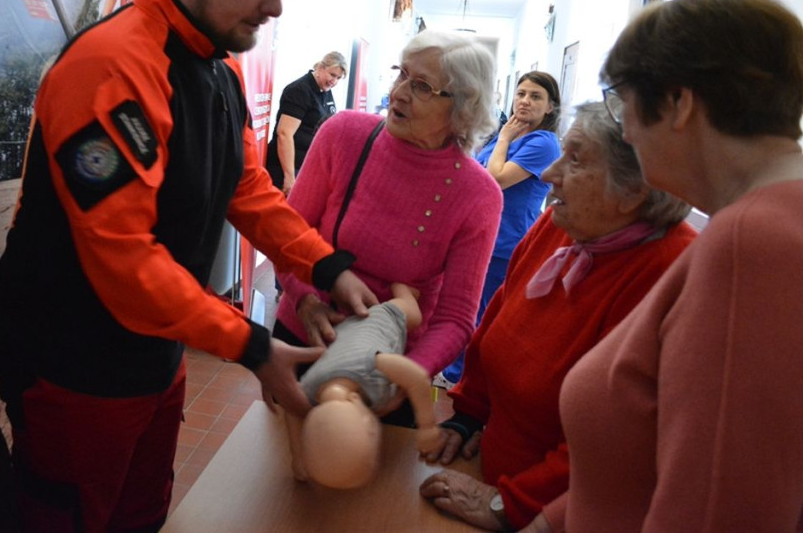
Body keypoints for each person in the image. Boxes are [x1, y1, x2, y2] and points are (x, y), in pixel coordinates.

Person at [0, 0, 376, 533]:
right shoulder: (111, 68)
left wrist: (326, 265)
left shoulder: (217, 68)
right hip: (75, 370)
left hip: (156, 356)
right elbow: (125, 263)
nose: (277, 5)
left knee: (142, 516)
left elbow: (247, 188)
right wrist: (251, 345)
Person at [533, 0, 803, 533]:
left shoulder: (750, 243)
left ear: (678, 102)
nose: (625, 129)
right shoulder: (764, 223)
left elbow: (716, 512)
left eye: (620, 101)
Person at [418, 101, 695, 531]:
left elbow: (617, 442)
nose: (550, 174)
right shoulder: (563, 224)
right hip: (492, 470)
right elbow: (499, 315)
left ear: (634, 190)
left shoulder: (672, 273)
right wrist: (469, 412)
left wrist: (512, 505)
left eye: (576, 160)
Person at [273, 29, 504, 427]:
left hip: (392, 365)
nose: (398, 93)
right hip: (303, 340)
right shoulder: (343, 134)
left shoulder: (478, 195)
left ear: (463, 108)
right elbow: (288, 235)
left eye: (422, 87)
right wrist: (305, 301)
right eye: (402, 74)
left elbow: (456, 317)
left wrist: (409, 373)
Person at [438, 71, 561, 386]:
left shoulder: (542, 143)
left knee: (484, 316)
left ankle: (463, 381)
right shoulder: (507, 134)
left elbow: (496, 179)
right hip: (479, 236)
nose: (524, 101)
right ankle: (457, 374)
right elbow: (473, 170)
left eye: (535, 97)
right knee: (465, 308)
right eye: (521, 93)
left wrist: (504, 138)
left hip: (507, 243)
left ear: (550, 107)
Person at [285, 283, 444, 489]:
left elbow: (417, 378)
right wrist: (298, 456)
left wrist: (428, 426)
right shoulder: (308, 388)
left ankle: (401, 289)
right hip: (342, 331)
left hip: (380, 320)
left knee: (414, 315)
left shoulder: (369, 365)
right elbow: (292, 409)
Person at [265, 51, 346, 196]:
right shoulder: (299, 91)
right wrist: (289, 178)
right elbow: (284, 134)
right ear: (321, 68)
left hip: (305, 167)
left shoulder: (324, 90)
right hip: (286, 168)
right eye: (332, 75)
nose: (334, 81)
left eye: (338, 78)